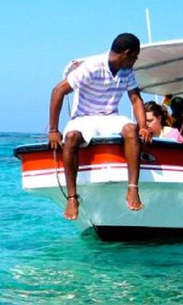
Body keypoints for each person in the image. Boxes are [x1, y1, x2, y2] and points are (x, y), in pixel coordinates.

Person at [48, 33, 152, 220]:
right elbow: (58, 90)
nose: (135, 61)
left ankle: (133, 189)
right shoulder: (92, 66)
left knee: (131, 130)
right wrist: (54, 130)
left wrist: (143, 126)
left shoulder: (127, 72)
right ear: (126, 53)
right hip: (84, 117)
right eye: (135, 56)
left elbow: (135, 99)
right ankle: (72, 197)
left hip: (110, 116)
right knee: (71, 137)